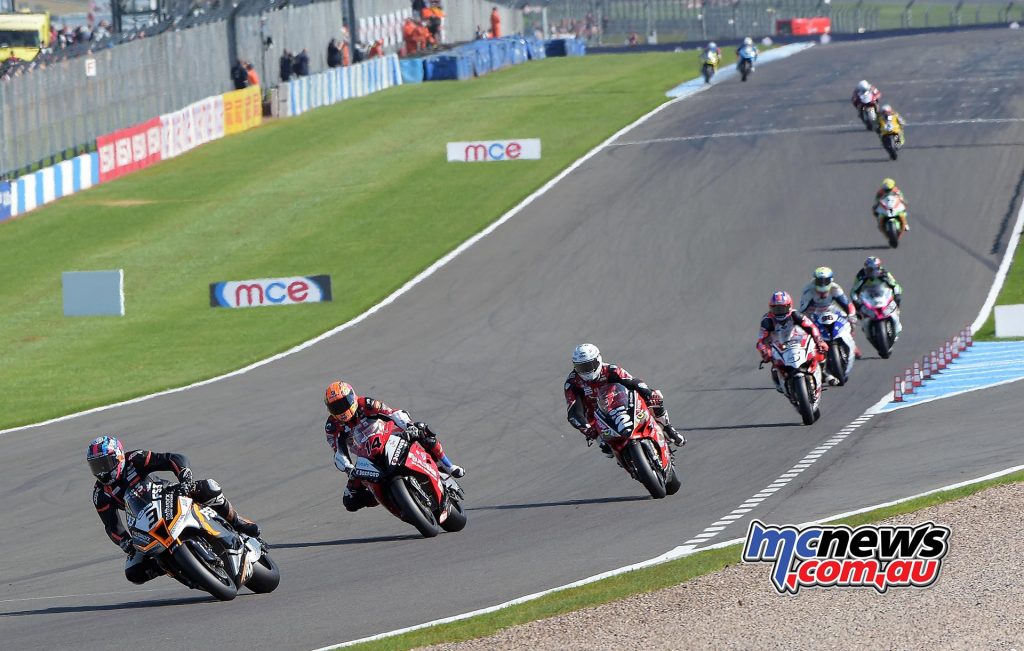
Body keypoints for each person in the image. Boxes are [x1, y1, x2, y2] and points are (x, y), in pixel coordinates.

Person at [87, 436, 261, 585]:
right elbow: (111, 526)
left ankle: (236, 521)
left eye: (104, 463)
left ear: (118, 458)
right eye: (96, 466)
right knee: (133, 572)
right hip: (144, 520)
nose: (101, 471)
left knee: (209, 487)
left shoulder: (134, 458)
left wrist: (184, 477)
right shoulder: (100, 493)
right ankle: (170, 566)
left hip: (167, 495)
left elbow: (172, 458)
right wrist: (124, 541)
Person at [324, 381, 465, 513]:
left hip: (389, 437)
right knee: (350, 501)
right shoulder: (332, 426)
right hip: (366, 456)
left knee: (423, 430)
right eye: (335, 407)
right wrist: (349, 468)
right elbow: (339, 453)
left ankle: (447, 465)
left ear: (352, 397)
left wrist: (409, 426)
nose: (340, 410)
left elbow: (392, 413)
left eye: (343, 404)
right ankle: (390, 497)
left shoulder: (365, 404)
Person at [564, 344, 685, 459]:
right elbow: (574, 412)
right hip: (598, 418)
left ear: (598, 360)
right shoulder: (572, 383)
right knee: (607, 449)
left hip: (623, 405)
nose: (586, 371)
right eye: (581, 367)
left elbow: (634, 382)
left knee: (656, 396)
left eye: (589, 366)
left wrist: (649, 393)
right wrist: (588, 429)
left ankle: (668, 429)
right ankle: (626, 459)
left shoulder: (611, 370)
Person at [756, 291, 830, 393]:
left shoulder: (796, 315)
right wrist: (764, 351)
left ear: (789, 306)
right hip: (778, 344)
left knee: (820, 352)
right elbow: (760, 341)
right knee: (775, 365)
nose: (780, 312)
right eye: (776, 309)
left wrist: (819, 341)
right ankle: (781, 381)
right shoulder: (767, 320)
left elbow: (811, 327)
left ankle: (823, 372)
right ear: (771, 308)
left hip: (797, 340)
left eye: (782, 308)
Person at [799, 266, 862, 362]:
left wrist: (851, 315)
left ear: (831, 280)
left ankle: (852, 344)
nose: (822, 285)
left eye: (825, 281)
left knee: (850, 322)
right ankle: (812, 350)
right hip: (813, 312)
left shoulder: (835, 288)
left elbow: (847, 304)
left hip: (831, 309)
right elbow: (802, 311)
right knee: (806, 330)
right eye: (820, 281)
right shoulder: (808, 291)